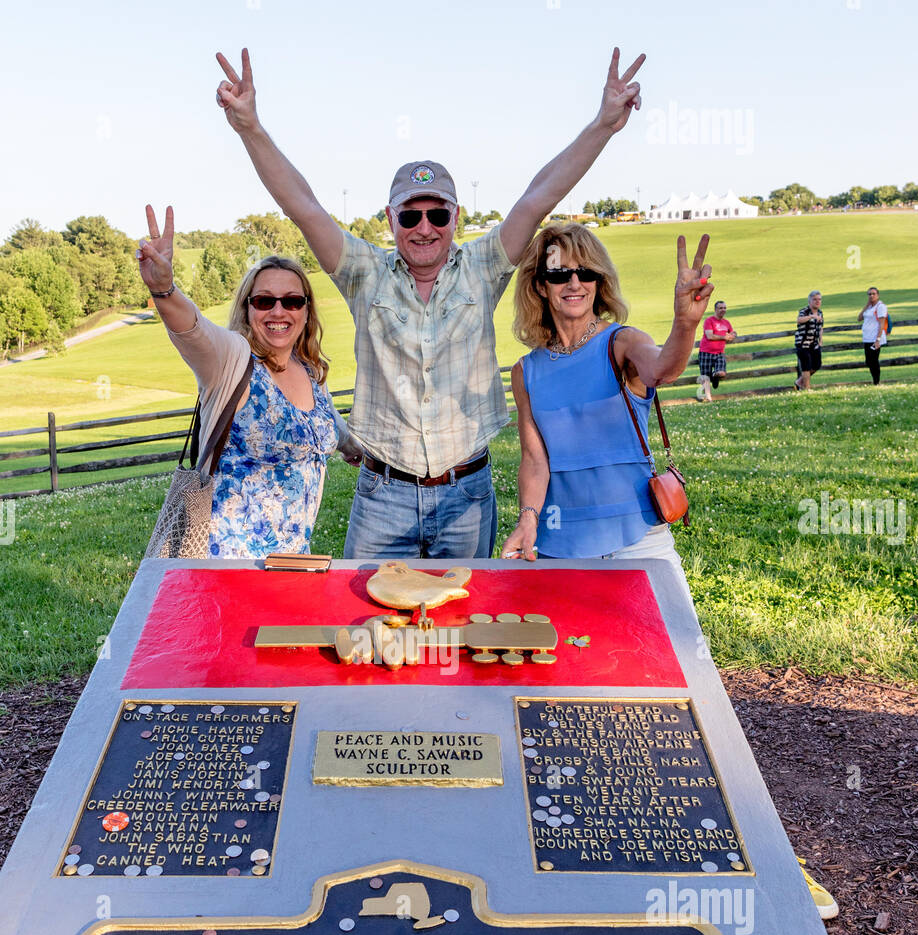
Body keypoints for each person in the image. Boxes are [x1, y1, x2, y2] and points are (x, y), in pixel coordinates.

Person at [214, 45, 645, 559]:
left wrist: (602, 125)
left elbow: (537, 197)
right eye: (410, 215)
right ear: (391, 218)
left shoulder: (483, 269)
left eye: (437, 216)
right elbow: (303, 206)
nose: (424, 228)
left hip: (466, 493)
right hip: (382, 498)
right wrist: (250, 128)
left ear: (455, 218)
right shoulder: (364, 273)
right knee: (368, 629)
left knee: (461, 627)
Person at [498, 223, 712, 601]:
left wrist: (685, 323)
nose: (574, 283)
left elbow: (663, 369)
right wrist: (527, 520)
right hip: (557, 547)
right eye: (560, 273)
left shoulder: (622, 342)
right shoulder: (525, 371)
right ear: (540, 285)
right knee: (565, 658)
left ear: (599, 282)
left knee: (664, 654)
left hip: (637, 541)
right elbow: (534, 460)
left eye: (587, 272)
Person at [136, 205, 345, 558]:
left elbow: (329, 424)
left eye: (292, 301)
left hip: (294, 564)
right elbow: (193, 329)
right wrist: (164, 289)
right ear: (247, 308)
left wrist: (364, 451)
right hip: (225, 566)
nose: (278, 311)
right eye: (264, 301)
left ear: (306, 310)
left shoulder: (310, 368)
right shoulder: (231, 358)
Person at [696, 299, 736, 401]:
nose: (723, 310)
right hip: (706, 352)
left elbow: (733, 332)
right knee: (705, 377)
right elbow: (710, 336)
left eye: (724, 308)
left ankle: (715, 377)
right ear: (715, 309)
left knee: (722, 372)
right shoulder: (709, 321)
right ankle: (709, 399)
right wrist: (725, 337)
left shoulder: (726, 322)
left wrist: (733, 335)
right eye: (720, 308)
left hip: (719, 353)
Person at [858, 286, 889, 384]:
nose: (871, 296)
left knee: (873, 360)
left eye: (873, 294)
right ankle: (875, 381)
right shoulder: (869, 307)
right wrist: (867, 305)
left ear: (878, 295)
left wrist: (878, 340)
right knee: (868, 361)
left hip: (875, 338)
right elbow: (859, 318)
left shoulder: (880, 307)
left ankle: (876, 382)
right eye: (869, 294)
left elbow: (881, 324)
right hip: (867, 338)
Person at [794, 291, 823, 390]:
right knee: (806, 366)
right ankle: (807, 388)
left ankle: (799, 381)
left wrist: (820, 340)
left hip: (814, 344)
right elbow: (799, 320)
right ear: (810, 301)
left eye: (819, 299)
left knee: (817, 365)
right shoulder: (804, 311)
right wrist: (811, 316)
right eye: (815, 299)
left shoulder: (820, 313)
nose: (817, 301)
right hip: (803, 344)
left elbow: (821, 327)